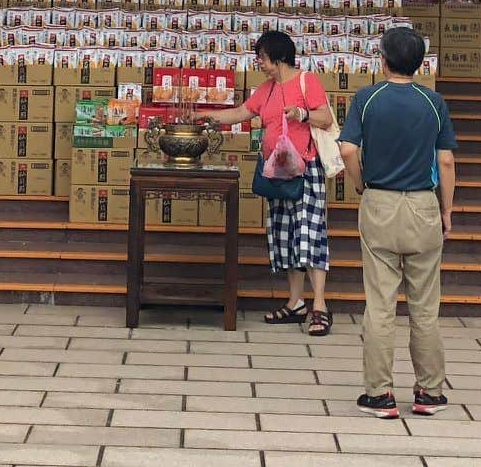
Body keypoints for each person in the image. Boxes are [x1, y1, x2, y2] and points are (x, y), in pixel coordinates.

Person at [339, 25, 456, 421]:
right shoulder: (434, 101)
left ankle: (380, 393)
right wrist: (446, 210)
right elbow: (446, 161)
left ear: (383, 59)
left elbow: (348, 149)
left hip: (379, 203)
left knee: (380, 304)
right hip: (423, 204)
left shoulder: (367, 99)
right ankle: (429, 391)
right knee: (425, 307)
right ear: (420, 62)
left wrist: (360, 183)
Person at [195, 29, 335, 336]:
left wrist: (301, 113)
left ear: (279, 56)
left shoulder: (305, 81)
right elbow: (241, 113)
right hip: (276, 172)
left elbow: (325, 118)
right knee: (285, 237)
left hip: (306, 169)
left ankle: (320, 307)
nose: (259, 62)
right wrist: (204, 116)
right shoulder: (267, 89)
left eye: (263, 57)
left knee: (310, 235)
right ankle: (296, 303)